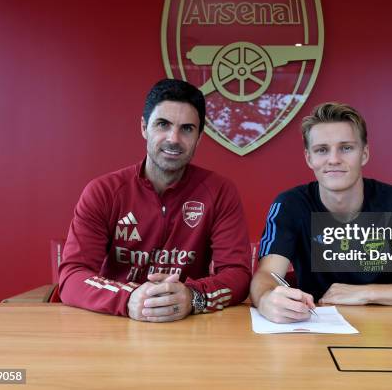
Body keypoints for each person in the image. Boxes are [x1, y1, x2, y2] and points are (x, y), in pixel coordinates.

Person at [250, 102, 392, 323]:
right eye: (322, 150)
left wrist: (366, 293)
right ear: (309, 158)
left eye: (346, 148)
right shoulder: (290, 205)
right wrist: (267, 299)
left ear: (365, 154)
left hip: (389, 332)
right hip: (314, 327)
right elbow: (266, 276)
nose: (334, 159)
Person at [59, 79, 251, 322]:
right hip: (114, 324)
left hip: (188, 327)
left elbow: (238, 275)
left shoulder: (220, 191)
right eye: (163, 124)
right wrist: (129, 298)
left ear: (199, 137)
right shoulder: (103, 191)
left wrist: (193, 297)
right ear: (143, 127)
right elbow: (71, 276)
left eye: (187, 129)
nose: (174, 138)